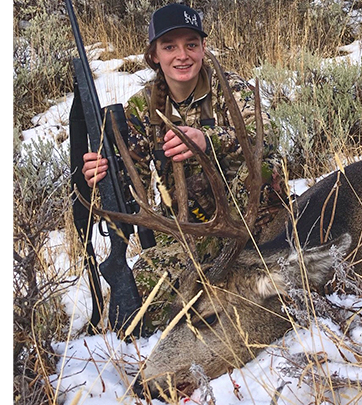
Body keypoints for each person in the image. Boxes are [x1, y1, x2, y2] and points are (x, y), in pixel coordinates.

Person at [80, 3, 287, 329]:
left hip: (247, 225)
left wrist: (208, 141)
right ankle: (223, 295)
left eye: (191, 44)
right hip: (186, 236)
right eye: (169, 46)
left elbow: (269, 147)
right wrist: (100, 178)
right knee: (148, 294)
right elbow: (126, 189)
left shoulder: (230, 90)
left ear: (204, 47)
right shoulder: (141, 108)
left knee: (264, 170)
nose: (182, 55)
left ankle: (259, 262)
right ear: (154, 56)